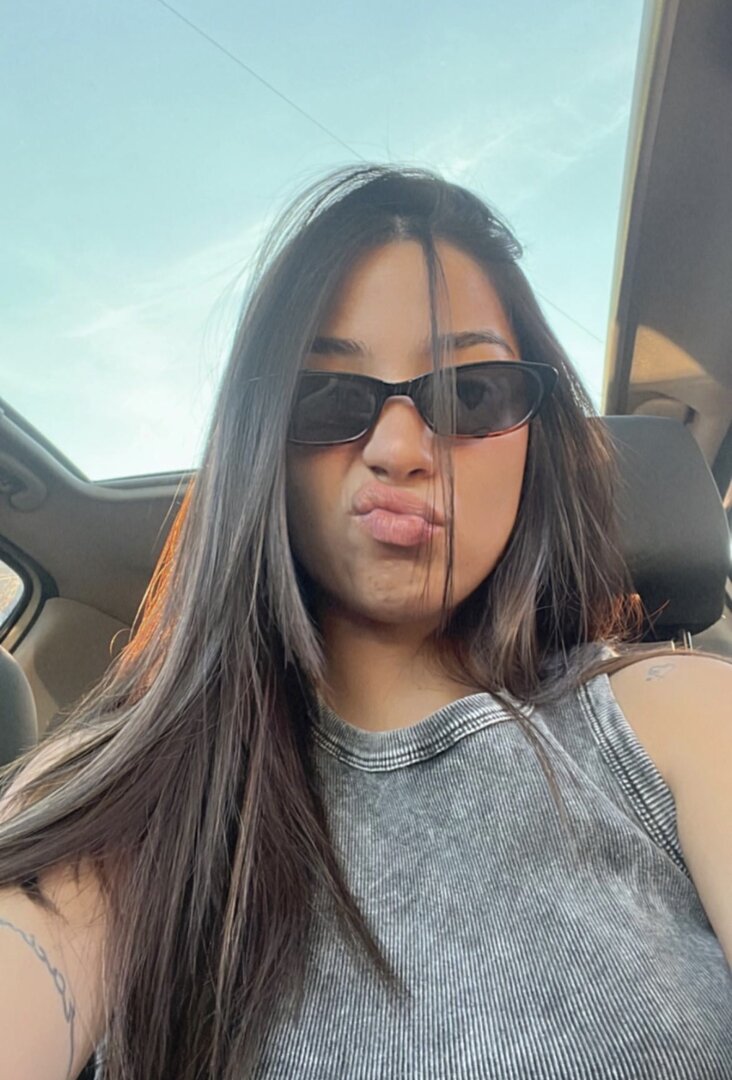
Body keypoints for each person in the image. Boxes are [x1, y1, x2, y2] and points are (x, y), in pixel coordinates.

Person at [0, 165, 730, 1080]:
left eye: (472, 394)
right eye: (328, 395)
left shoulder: (674, 712)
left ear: (536, 433)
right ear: (263, 439)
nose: (398, 449)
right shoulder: (140, 779)